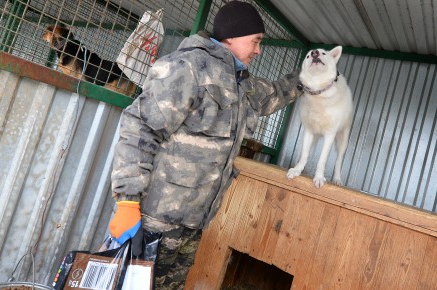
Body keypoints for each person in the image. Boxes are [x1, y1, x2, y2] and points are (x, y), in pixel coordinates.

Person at [109, 1, 303, 289]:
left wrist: (308, 78)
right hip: (156, 220)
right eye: (256, 41)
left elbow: (272, 95)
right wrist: (127, 200)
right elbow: (140, 128)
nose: (259, 50)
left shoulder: (240, 83)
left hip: (194, 222)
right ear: (234, 35)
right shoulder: (188, 67)